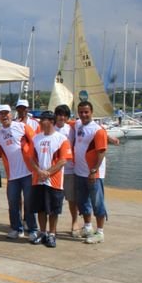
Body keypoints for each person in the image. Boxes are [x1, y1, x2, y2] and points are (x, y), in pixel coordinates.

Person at [29, 111, 73, 248]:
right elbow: (31, 158)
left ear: (52, 121)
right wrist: (39, 171)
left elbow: (63, 160)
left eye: (44, 120)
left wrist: (47, 173)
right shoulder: (36, 138)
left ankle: (52, 234)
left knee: (53, 210)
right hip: (38, 180)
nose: (41, 122)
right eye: (41, 120)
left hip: (54, 181)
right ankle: (42, 233)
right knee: (40, 209)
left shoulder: (61, 139)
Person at [0, 104, 38, 240]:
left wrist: (37, 166)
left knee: (29, 202)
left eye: (6, 113)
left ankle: (33, 229)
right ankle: (16, 228)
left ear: (11, 114)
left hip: (28, 172)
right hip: (12, 175)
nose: (4, 116)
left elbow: (35, 142)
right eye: (1, 114)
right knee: (13, 202)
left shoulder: (22, 127)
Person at [74, 101, 109, 244]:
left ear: (92, 112)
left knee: (97, 203)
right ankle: (88, 227)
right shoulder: (78, 124)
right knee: (83, 202)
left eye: (86, 112)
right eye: (81, 112)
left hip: (93, 174)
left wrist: (94, 170)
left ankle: (100, 232)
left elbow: (101, 152)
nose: (83, 115)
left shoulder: (98, 130)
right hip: (79, 172)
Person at [54, 104, 80, 235]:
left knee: (71, 199)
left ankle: (75, 222)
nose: (62, 117)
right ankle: (53, 226)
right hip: (54, 170)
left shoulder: (71, 128)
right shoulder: (50, 128)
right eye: (59, 115)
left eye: (65, 115)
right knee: (55, 200)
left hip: (69, 169)